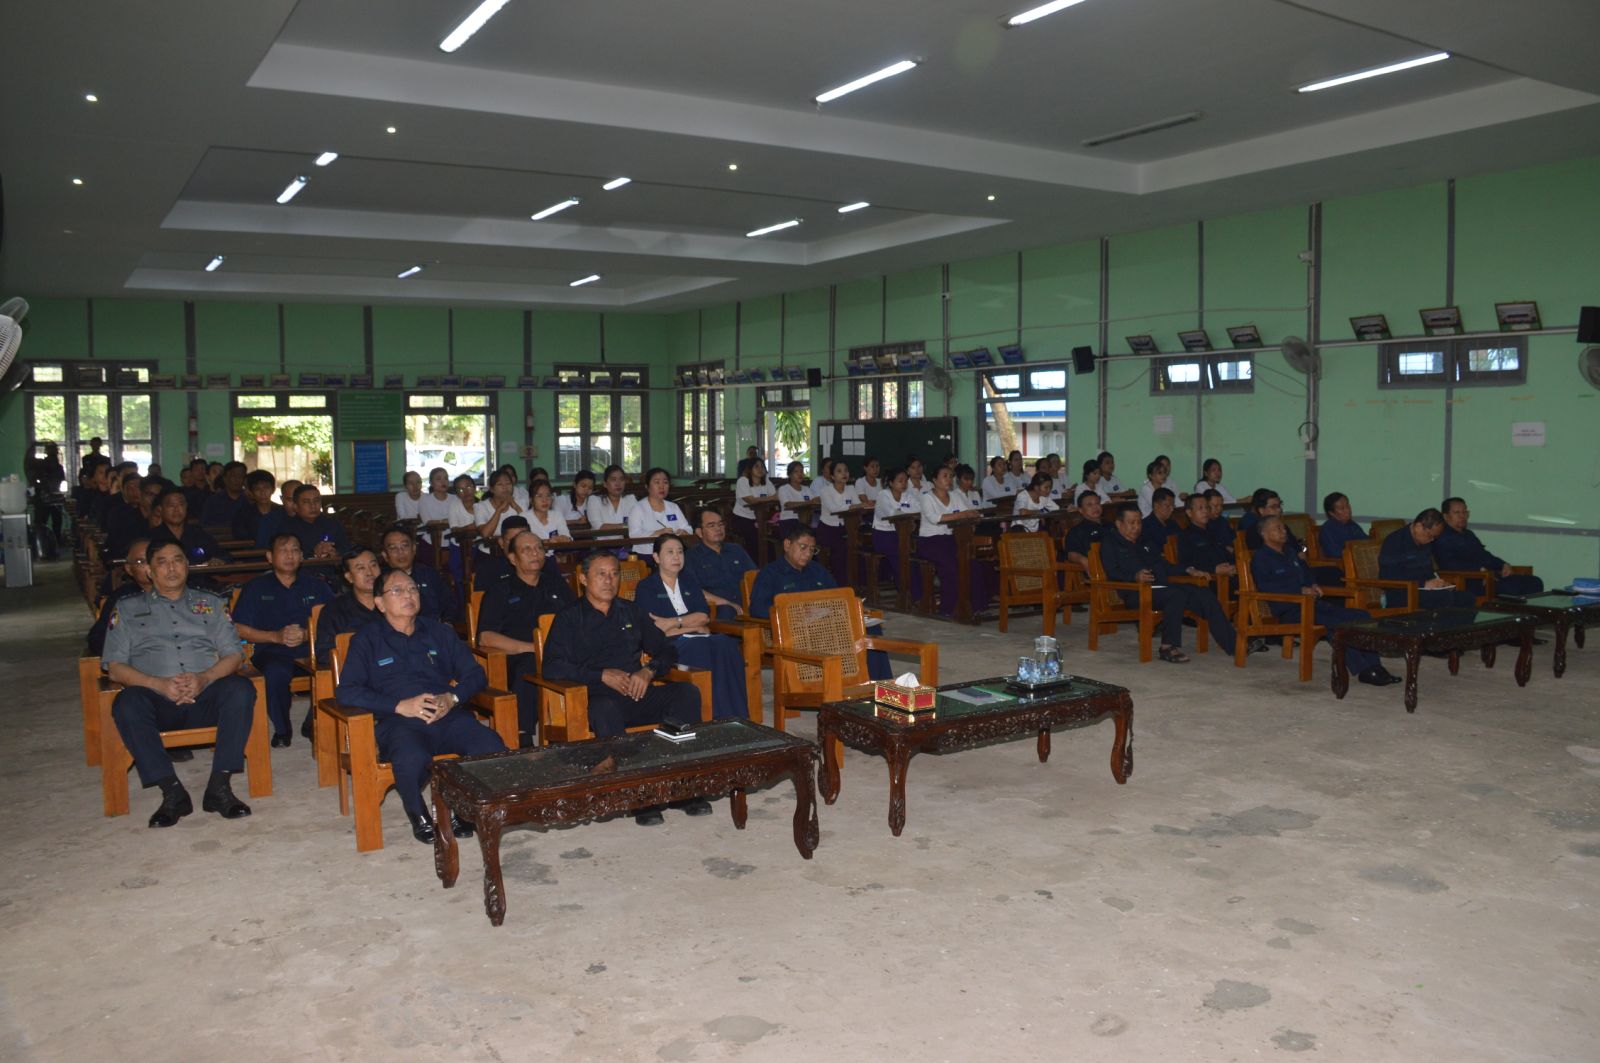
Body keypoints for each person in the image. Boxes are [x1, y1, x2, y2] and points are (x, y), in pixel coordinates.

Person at [334, 569, 506, 844]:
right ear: (380, 603)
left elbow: (475, 675)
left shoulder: (439, 632)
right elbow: (347, 691)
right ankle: (418, 813)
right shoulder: (366, 639)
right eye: (398, 590)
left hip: (446, 714)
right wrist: (399, 705)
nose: (409, 595)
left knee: (490, 746)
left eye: (413, 588)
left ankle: (462, 809)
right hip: (399, 721)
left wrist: (451, 698)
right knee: (410, 758)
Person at [542, 552, 705, 825]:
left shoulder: (631, 611)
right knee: (605, 707)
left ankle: (680, 783)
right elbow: (552, 666)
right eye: (601, 574)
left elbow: (666, 650)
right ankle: (638, 795)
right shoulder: (569, 618)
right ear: (583, 579)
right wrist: (600, 675)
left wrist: (648, 671)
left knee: (686, 693)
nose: (609, 580)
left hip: (637, 692)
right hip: (597, 697)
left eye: (614, 573)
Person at [101, 541, 255, 828]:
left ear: (187, 565)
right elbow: (114, 666)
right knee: (126, 703)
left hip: (205, 695)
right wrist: (157, 684)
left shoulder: (212, 604)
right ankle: (172, 792)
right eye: (162, 562)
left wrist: (204, 678)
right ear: (149, 570)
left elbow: (234, 654)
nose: (171, 568)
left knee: (241, 690)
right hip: (157, 701)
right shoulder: (127, 609)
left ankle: (219, 788)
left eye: (178, 560)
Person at [1252, 515, 1398, 685]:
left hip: (1313, 604)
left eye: (1283, 527)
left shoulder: (1290, 552)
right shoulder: (1261, 558)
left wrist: (1313, 584)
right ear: (1264, 533)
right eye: (1277, 528)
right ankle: (1363, 669)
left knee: (1361, 616)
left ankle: (1375, 666)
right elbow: (1267, 587)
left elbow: (1306, 573)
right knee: (1336, 624)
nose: (1283, 531)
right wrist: (1299, 591)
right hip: (1290, 609)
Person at [1100, 503, 1245, 663]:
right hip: (1134, 592)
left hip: (1161, 587)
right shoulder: (1110, 543)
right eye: (1131, 523)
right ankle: (1167, 647)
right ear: (1119, 523)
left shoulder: (1144, 542)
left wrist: (1188, 570)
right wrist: (1135, 576)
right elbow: (1112, 572)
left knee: (1203, 593)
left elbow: (1165, 566)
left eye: (1139, 522)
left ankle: (1234, 645)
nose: (1136, 527)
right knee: (1176, 595)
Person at [748, 524, 892, 680]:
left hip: (826, 625)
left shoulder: (818, 571)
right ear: (787, 545)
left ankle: (880, 685)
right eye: (803, 547)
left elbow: (838, 598)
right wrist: (794, 613)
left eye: (812, 549)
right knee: (846, 637)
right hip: (795, 632)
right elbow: (757, 608)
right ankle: (850, 681)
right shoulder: (770, 574)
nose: (808, 554)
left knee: (870, 629)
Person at [230, 532, 334, 745]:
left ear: (302, 556)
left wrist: (306, 634)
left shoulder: (317, 586)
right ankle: (282, 729)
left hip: (312, 649)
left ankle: (312, 722)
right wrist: (275, 637)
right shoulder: (255, 587)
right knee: (276, 673)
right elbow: (238, 628)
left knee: (338, 666)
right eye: (283, 551)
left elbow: (334, 621)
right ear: (270, 556)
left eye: (295, 550)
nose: (290, 556)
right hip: (271, 651)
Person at [477, 530, 577, 743]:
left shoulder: (556, 584)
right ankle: (523, 733)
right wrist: (533, 647)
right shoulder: (500, 590)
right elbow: (485, 637)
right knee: (530, 664)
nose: (535, 553)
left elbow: (577, 621)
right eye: (527, 549)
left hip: (559, 652)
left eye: (539, 548)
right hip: (516, 656)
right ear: (513, 558)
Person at [635, 536, 749, 721]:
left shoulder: (689, 582)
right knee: (702, 648)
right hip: (669, 646)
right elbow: (656, 629)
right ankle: (714, 716)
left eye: (680, 552)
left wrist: (673, 622)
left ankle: (738, 717)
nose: (676, 557)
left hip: (697, 638)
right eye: (670, 552)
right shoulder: (646, 587)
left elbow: (703, 617)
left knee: (726, 644)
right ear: (656, 557)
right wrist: (692, 625)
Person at [916, 465, 996, 617]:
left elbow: (968, 513)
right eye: (944, 476)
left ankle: (978, 607)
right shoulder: (927, 498)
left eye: (950, 476)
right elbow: (936, 519)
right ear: (934, 480)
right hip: (930, 542)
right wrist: (963, 514)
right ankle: (948, 609)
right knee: (951, 566)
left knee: (973, 564)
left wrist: (972, 515)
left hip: (952, 540)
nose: (949, 479)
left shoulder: (955, 497)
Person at [1435, 498, 1544, 597]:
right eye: (1457, 513)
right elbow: (1447, 564)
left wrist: (1503, 564)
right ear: (1445, 516)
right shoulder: (1442, 537)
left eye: (1465, 512)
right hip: (1469, 581)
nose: (1462, 516)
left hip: (1489, 577)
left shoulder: (1468, 535)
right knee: (1512, 589)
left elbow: (1484, 555)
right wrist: (1478, 569)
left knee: (1535, 582)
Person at [1377, 509, 1477, 609]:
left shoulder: (1425, 542)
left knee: (1467, 597)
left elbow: (1428, 570)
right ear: (1419, 527)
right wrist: (1423, 584)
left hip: (1425, 590)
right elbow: (1387, 576)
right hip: (1402, 592)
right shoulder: (1395, 541)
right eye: (1430, 536)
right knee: (1444, 598)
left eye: (1434, 537)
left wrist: (1439, 583)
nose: (1432, 540)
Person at [316, 548, 383, 665]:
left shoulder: (395, 602)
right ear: (349, 577)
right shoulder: (333, 610)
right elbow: (324, 654)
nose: (370, 573)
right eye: (361, 568)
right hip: (356, 670)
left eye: (373, 565)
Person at [88, 538, 154, 657]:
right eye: (141, 562)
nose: (149, 567)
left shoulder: (182, 593)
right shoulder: (121, 598)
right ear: (129, 569)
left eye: (154, 560)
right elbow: (98, 638)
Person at [684, 509, 756, 619]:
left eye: (721, 524)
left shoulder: (736, 550)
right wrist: (725, 602)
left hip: (746, 602)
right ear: (699, 532)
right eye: (711, 525)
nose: (718, 529)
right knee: (726, 611)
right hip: (718, 607)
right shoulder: (691, 557)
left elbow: (754, 577)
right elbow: (692, 589)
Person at [415, 466, 475, 594]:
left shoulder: (455, 498)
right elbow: (428, 522)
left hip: (456, 542)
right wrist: (447, 521)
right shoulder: (425, 499)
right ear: (431, 483)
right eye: (438, 479)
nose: (443, 482)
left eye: (446, 478)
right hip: (432, 543)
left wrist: (445, 521)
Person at [379, 527, 452, 621]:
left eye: (405, 546)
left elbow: (449, 604)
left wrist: (447, 622)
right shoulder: (381, 581)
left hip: (432, 627)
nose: (400, 552)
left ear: (414, 549)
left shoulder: (429, 574)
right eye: (393, 548)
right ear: (385, 555)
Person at [869, 467, 923, 593]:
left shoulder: (907, 495)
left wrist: (901, 511)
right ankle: (908, 593)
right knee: (902, 558)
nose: (904, 484)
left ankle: (917, 593)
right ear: (891, 483)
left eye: (905, 481)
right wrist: (905, 512)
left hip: (901, 535)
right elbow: (891, 513)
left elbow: (919, 509)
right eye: (900, 481)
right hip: (883, 536)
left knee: (913, 558)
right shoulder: (883, 495)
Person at [817, 458, 868, 585]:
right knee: (841, 551)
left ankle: (859, 584)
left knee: (859, 548)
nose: (844, 473)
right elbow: (834, 509)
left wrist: (857, 506)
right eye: (839, 471)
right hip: (828, 529)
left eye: (846, 470)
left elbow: (859, 506)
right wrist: (852, 506)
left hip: (846, 528)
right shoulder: (825, 491)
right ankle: (841, 585)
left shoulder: (851, 489)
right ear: (832, 476)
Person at [148, 487, 232, 563]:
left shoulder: (198, 533)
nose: (177, 510)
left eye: (181, 505)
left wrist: (218, 560)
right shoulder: (152, 536)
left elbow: (223, 555)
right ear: (160, 510)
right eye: (171, 505)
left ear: (186, 507)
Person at [626, 467, 690, 559]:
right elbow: (634, 535)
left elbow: (687, 528)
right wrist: (657, 533)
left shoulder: (673, 507)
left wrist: (684, 532)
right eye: (657, 482)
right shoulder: (637, 508)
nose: (662, 486)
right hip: (646, 555)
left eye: (665, 482)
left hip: (673, 555)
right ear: (647, 486)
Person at [276, 484, 350, 559]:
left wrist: (334, 552)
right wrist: (313, 553)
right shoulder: (286, 528)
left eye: (316, 501)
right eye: (306, 502)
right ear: (295, 506)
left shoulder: (332, 524)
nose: (313, 506)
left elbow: (346, 549)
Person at [1176, 494, 1236, 579]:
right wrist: (1214, 570)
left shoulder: (1213, 531)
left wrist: (1233, 566)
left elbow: (1225, 554)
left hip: (1228, 575)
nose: (1205, 511)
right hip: (1208, 579)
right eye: (1200, 508)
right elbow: (1187, 566)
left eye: (1207, 507)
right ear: (1189, 513)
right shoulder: (1185, 537)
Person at [472, 515, 530, 593]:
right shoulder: (487, 570)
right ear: (501, 542)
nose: (517, 545)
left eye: (522, 539)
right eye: (512, 541)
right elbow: (480, 599)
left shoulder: (541, 565)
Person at [472, 469, 526, 551]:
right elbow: (485, 534)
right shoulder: (480, 507)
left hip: (517, 551)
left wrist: (515, 506)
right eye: (500, 484)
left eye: (508, 483)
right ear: (492, 489)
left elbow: (529, 528)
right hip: (488, 553)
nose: (505, 487)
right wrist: (499, 510)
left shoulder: (521, 503)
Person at [730, 458, 775, 555]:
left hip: (762, 519)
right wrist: (769, 498)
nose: (760, 469)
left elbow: (776, 497)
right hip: (742, 519)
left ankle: (768, 562)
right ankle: (754, 563)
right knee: (756, 540)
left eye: (762, 466)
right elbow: (750, 500)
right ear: (750, 469)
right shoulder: (743, 481)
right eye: (756, 466)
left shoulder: (766, 480)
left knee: (770, 540)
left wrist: (769, 498)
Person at [103, 471, 151, 560]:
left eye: (137, 488)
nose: (134, 492)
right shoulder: (117, 513)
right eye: (129, 488)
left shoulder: (151, 512)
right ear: (123, 491)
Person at [28, 441, 67, 543]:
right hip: (42, 497)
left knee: (57, 523)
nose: (52, 452)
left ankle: (56, 542)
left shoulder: (59, 467)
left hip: (55, 497)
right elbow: (33, 479)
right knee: (41, 523)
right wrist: (41, 487)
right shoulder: (40, 465)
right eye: (50, 450)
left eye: (53, 450)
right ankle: (40, 543)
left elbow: (61, 480)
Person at [585, 464, 637, 538]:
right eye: (613, 479)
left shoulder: (630, 499)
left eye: (621, 479)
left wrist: (627, 525)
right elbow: (599, 527)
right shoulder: (594, 500)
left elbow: (637, 522)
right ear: (605, 484)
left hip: (626, 542)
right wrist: (625, 525)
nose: (618, 483)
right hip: (602, 544)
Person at [1318, 492, 1367, 565]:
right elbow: (1334, 553)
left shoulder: (1352, 525)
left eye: (1348, 506)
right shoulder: (1328, 529)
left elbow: (1366, 541)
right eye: (1342, 508)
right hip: (1340, 566)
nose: (1348, 510)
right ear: (1332, 513)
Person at [233, 470, 280, 543]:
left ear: (273, 489)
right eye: (257, 489)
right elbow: (241, 538)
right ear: (251, 492)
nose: (262, 492)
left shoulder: (282, 511)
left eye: (266, 488)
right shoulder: (243, 514)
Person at [1063, 491, 1105, 574]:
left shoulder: (1111, 526)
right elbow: (1071, 554)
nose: (1095, 507)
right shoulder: (1076, 531)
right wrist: (1083, 560)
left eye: (1097, 503)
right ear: (1081, 510)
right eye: (1089, 505)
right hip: (1099, 570)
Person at [200, 462, 248, 527]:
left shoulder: (250, 500)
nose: (237, 480)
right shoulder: (213, 501)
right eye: (233, 476)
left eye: (240, 476)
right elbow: (205, 526)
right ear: (224, 479)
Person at [1139, 487, 1182, 553]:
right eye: (1168, 506)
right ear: (1156, 505)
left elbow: (1183, 540)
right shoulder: (1145, 526)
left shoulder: (1172, 523)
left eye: (1173, 506)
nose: (1172, 509)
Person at [775, 461, 815, 530]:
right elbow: (788, 504)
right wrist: (808, 502)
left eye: (801, 471)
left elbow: (814, 502)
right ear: (789, 474)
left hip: (806, 519)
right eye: (796, 472)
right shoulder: (783, 489)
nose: (800, 474)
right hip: (789, 520)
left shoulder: (807, 489)